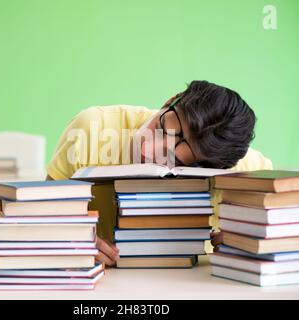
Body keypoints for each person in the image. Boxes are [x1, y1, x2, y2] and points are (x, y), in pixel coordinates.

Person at [46, 80, 273, 266]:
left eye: (175, 159)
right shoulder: (92, 129)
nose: (146, 149)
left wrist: (259, 235)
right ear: (170, 100)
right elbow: (37, 217)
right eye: (163, 127)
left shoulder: (244, 171)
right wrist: (67, 239)